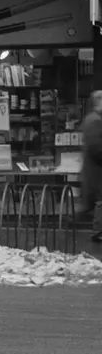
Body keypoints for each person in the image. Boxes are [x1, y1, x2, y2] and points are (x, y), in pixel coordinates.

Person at [82, 89, 102, 244]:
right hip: (97, 169)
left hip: (95, 169)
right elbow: (96, 148)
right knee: (100, 201)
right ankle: (98, 232)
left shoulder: (94, 119)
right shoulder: (94, 121)